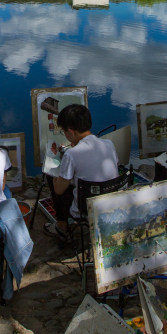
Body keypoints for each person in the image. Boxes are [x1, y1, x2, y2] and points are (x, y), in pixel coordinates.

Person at [46, 103, 119, 241]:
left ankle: (62, 227)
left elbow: (59, 190)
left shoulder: (71, 155)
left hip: (85, 210)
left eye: (64, 132)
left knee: (52, 176)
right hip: (110, 203)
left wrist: (54, 168)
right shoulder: (109, 144)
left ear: (71, 131)